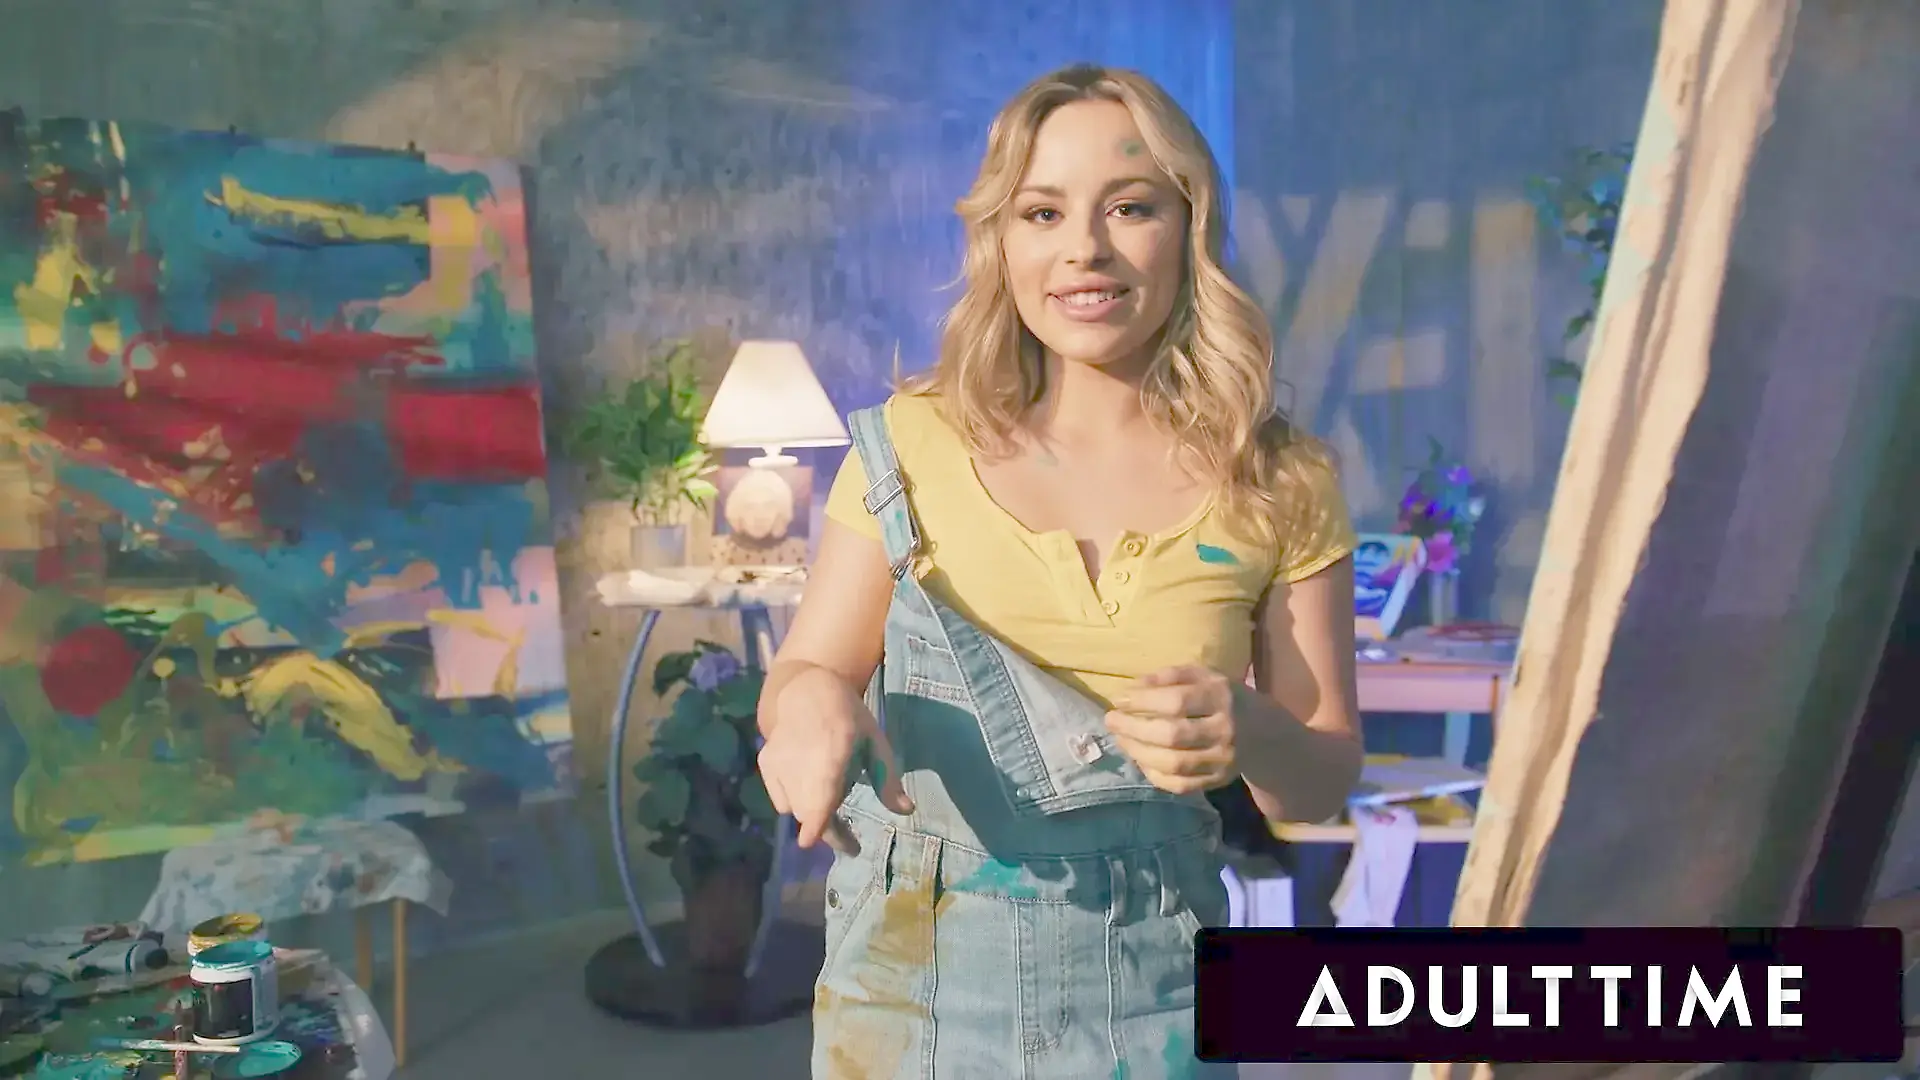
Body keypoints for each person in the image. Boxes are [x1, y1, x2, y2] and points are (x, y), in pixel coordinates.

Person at [755, 62, 1364, 1079]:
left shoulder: (1281, 481)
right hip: (906, 991)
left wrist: (1249, 729)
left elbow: (1320, 781)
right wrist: (810, 702)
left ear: (1189, 227)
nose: (1084, 248)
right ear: (1001, 239)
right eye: (1043, 212)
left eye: (1129, 207)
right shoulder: (906, 447)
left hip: (1159, 999)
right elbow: (804, 673)